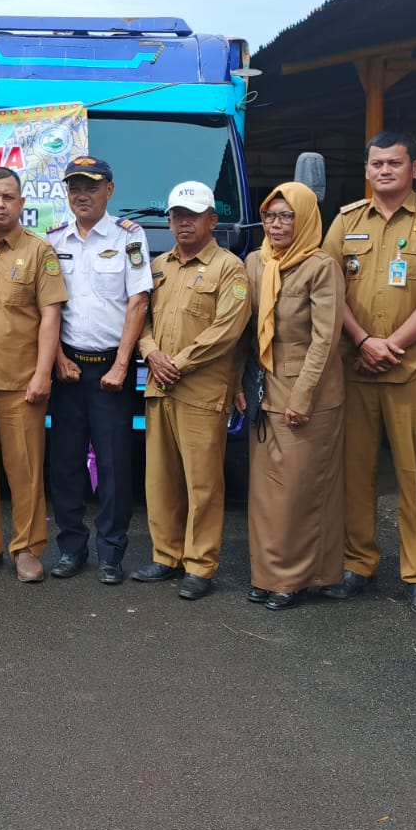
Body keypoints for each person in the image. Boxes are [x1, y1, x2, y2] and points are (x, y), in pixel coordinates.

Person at [321, 131, 416, 619]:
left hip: (414, 368)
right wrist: (364, 341)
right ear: (366, 170)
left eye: (395, 163)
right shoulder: (345, 222)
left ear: (415, 169)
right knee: (354, 476)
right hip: (356, 368)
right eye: (377, 163)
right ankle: (357, 565)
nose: (385, 171)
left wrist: (392, 345)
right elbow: (328, 291)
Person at [135, 181, 249, 600]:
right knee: (160, 479)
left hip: (201, 391)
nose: (183, 222)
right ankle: (166, 556)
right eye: (176, 215)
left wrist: (176, 362)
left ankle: (200, 565)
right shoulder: (158, 266)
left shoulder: (228, 268)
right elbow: (139, 316)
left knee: (203, 484)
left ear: (212, 220)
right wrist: (149, 351)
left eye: (192, 215)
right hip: (159, 387)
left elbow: (227, 330)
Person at [235, 181, 346, 611]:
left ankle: (294, 579)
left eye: (286, 216)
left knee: (299, 491)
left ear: (304, 221)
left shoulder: (320, 267)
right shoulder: (255, 262)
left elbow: (325, 339)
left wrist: (302, 396)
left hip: (309, 393)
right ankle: (267, 574)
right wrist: (236, 384)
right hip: (263, 387)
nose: (276, 224)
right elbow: (244, 333)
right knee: (265, 493)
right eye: (270, 215)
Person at [46, 156, 152, 584]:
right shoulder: (54, 240)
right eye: (74, 187)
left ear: (109, 190)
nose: (82, 195)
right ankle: (72, 549)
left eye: (91, 186)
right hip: (67, 368)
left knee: (113, 466)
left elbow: (139, 302)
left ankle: (111, 554)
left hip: (111, 370)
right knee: (65, 466)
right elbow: (47, 307)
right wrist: (56, 358)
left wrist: (123, 366)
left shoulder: (130, 235)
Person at [0, 167, 67, 584]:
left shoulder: (40, 252)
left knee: (24, 471)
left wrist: (43, 374)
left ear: (22, 204)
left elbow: (50, 316)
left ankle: (27, 548)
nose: (0, 204)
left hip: (22, 384)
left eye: (8, 197)